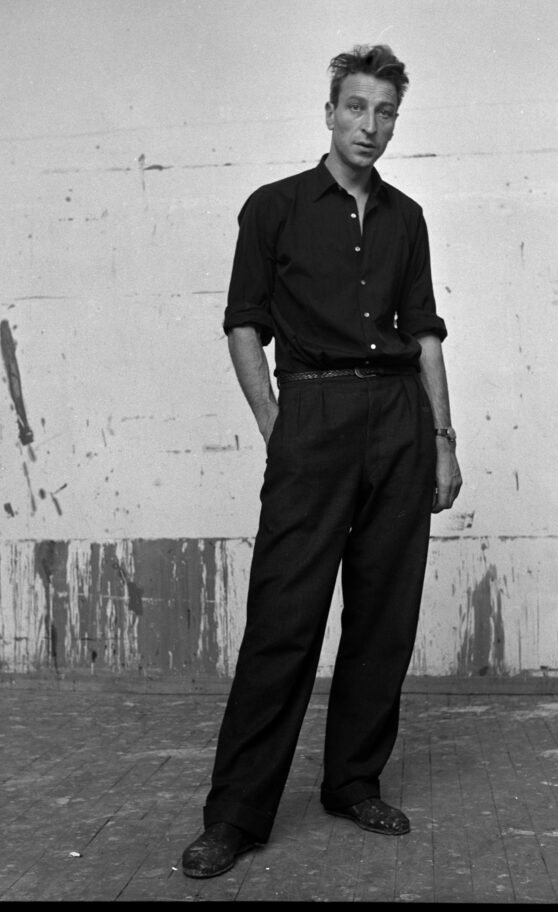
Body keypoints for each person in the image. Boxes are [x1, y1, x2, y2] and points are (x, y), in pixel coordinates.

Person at [181, 44, 462, 879]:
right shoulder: (272, 208)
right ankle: (235, 816)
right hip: (313, 412)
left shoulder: (407, 217)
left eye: (385, 113)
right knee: (284, 620)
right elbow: (243, 324)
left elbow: (426, 336)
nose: (370, 126)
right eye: (357, 108)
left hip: (399, 421)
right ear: (329, 111)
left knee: (384, 619)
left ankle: (352, 782)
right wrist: (278, 423)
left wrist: (444, 441)